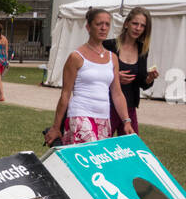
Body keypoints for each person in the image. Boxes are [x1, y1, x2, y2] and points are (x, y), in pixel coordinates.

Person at [44, 8, 133, 146]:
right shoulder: (76, 57)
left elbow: (117, 93)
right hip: (80, 115)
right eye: (99, 24)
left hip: (103, 118)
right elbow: (66, 94)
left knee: (99, 161)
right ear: (88, 27)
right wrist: (56, 127)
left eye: (107, 24)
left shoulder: (112, 58)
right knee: (88, 155)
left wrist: (126, 121)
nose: (103, 28)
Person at [103, 6, 158, 134]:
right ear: (127, 23)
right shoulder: (108, 45)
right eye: (135, 23)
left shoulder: (142, 49)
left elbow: (142, 83)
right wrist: (115, 76)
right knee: (102, 149)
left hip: (129, 108)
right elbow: (96, 74)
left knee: (130, 149)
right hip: (107, 106)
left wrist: (150, 78)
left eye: (142, 26)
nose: (138, 28)